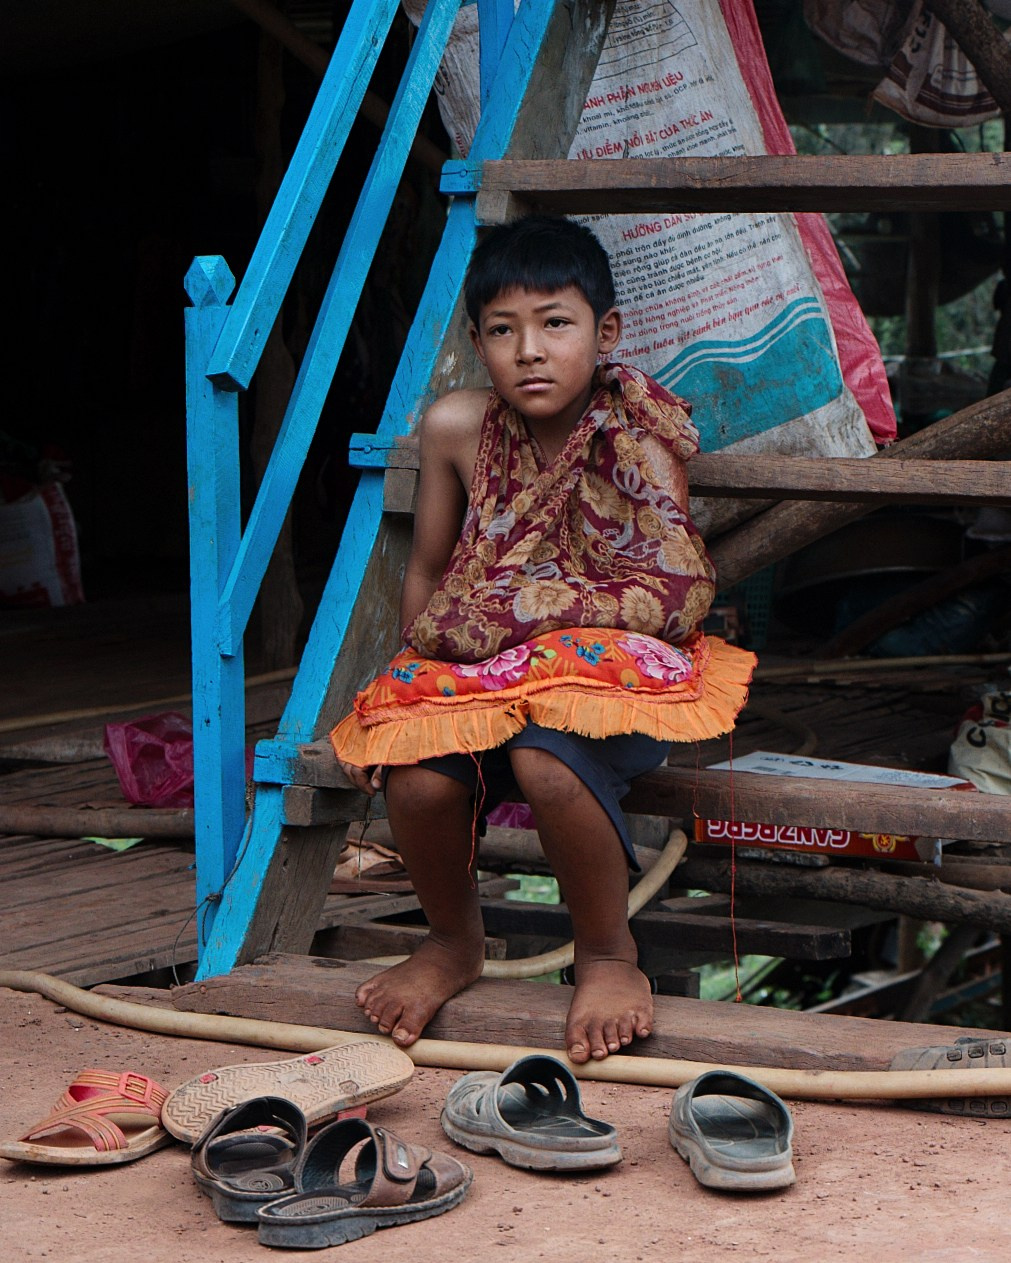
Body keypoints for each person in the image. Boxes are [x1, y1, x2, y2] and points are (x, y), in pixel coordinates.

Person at [332, 215, 754, 1063]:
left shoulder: (640, 427)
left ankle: (606, 954)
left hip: (609, 680)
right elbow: (433, 574)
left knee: (545, 760)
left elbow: (665, 587)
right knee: (416, 778)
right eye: (502, 330)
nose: (529, 351)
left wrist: (546, 633)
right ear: (476, 342)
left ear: (606, 332)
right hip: (487, 665)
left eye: (555, 323)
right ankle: (451, 942)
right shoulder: (456, 426)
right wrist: (409, 692)